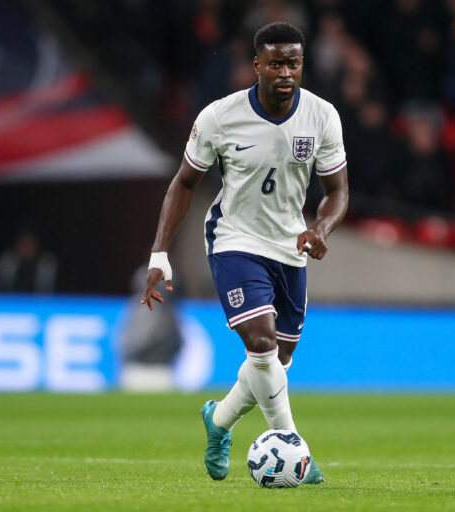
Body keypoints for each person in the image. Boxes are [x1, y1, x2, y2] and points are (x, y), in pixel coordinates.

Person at [141, 22, 348, 484]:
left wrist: (320, 227)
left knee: (275, 363)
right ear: (257, 65)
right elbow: (184, 184)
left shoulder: (322, 116)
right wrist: (160, 254)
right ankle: (297, 452)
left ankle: (218, 422)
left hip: (290, 246)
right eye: (275, 63)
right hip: (234, 240)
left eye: (293, 63)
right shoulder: (220, 116)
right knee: (261, 343)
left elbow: (337, 191)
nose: (285, 72)